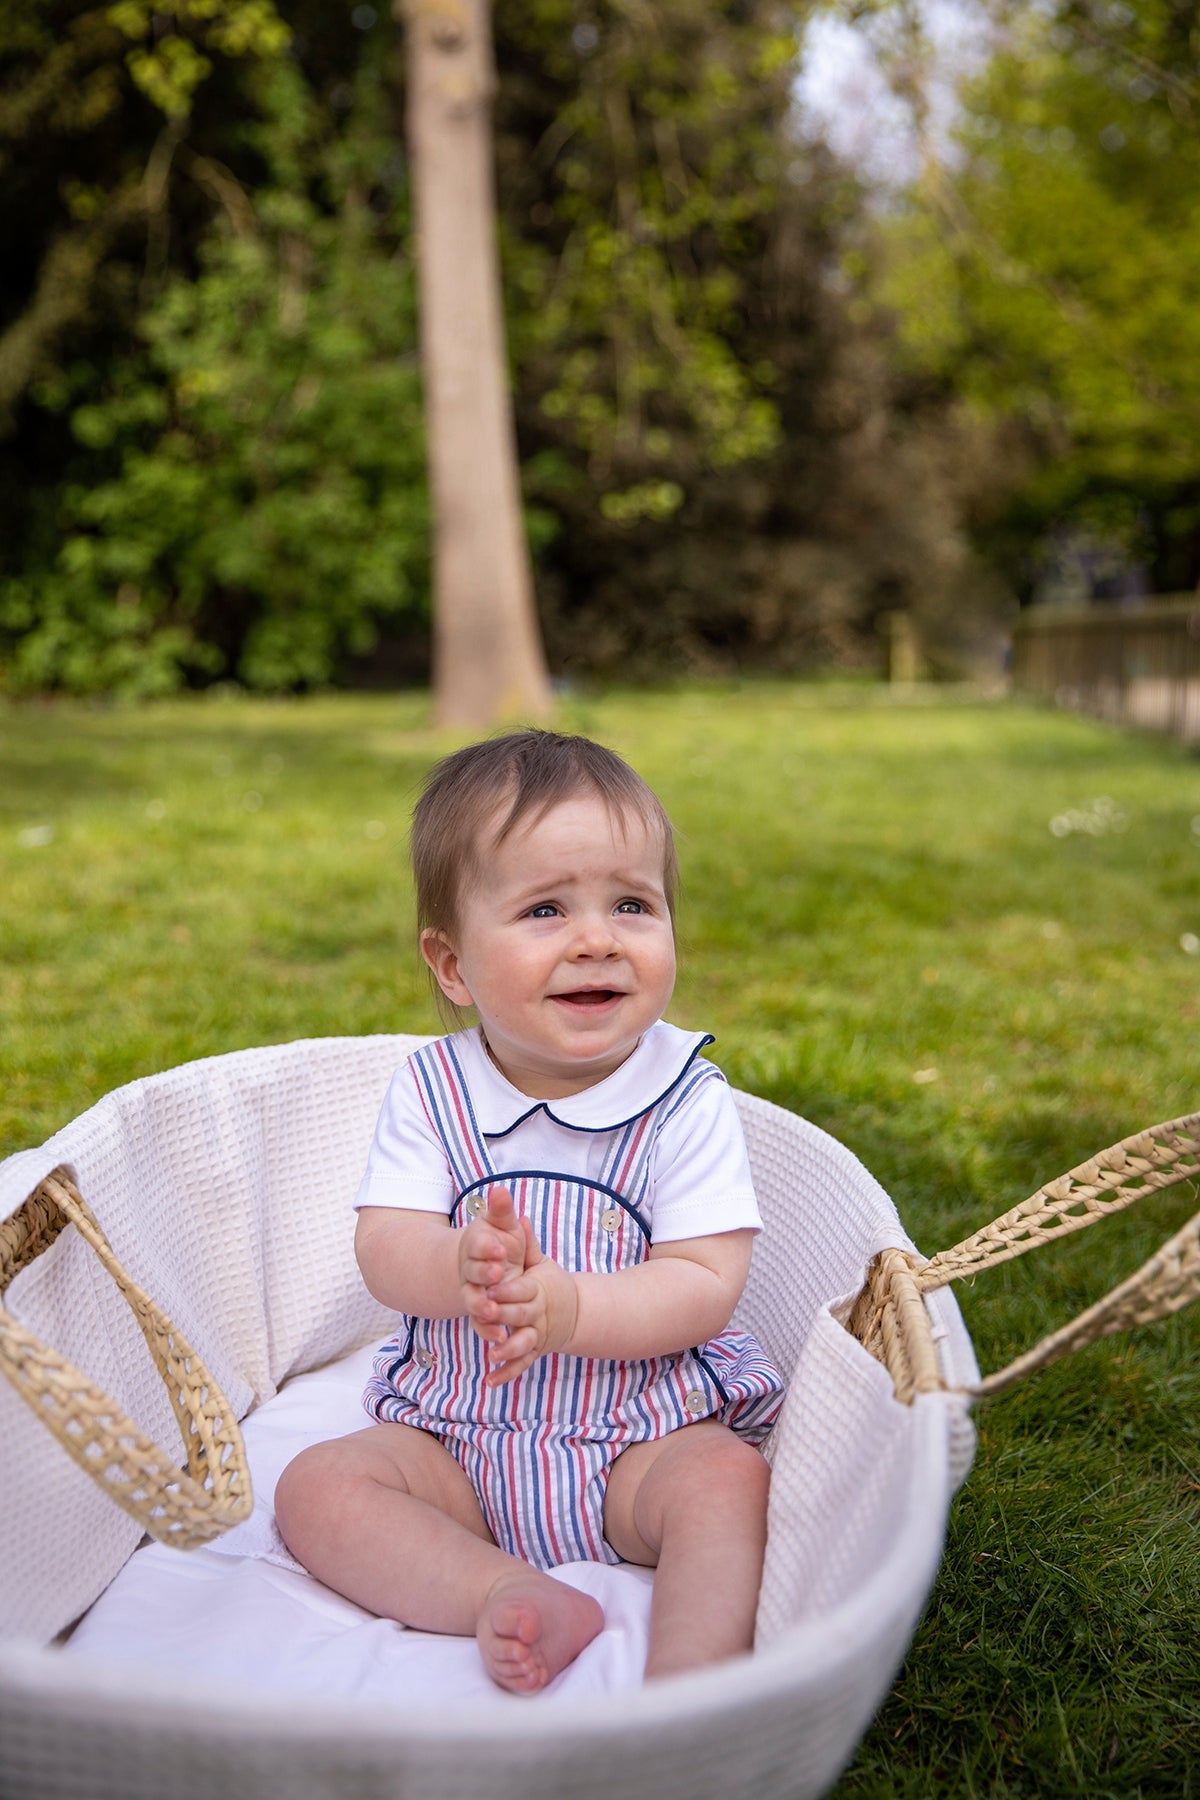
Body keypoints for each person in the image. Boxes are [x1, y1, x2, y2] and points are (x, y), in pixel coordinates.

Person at [275, 730, 785, 1695]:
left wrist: (572, 1313)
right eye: (546, 908)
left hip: (638, 1438)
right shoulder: (431, 1090)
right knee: (319, 1489)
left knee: (729, 1485)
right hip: (460, 1443)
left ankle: (692, 1696)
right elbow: (384, 1246)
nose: (597, 938)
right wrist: (456, 1262)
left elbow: (706, 1280)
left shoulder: (687, 1097)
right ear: (454, 966)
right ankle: (499, 1590)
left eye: (632, 904)